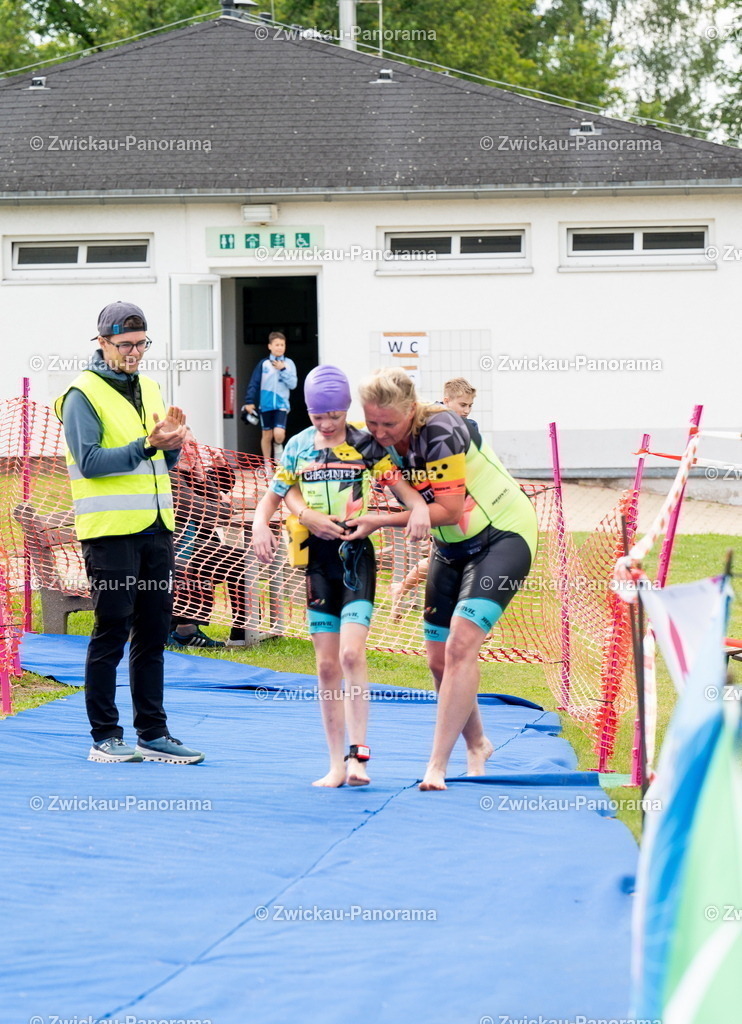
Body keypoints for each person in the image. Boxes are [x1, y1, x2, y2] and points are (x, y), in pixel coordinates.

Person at [356, 367, 537, 791]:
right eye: (371, 422)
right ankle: (478, 744)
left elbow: (450, 510)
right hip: (451, 547)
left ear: (410, 409)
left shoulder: (441, 428)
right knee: (438, 660)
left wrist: (380, 520)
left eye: (389, 423)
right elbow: (400, 487)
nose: (379, 432)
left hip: (503, 536)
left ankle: (436, 765)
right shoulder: (372, 440)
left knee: (461, 644)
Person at [251, 365, 429, 788]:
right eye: (318, 417)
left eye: (334, 416)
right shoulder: (296, 446)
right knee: (327, 665)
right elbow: (273, 497)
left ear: (346, 409)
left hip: (356, 558)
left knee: (351, 655)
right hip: (318, 562)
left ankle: (359, 758)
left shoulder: (365, 444)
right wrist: (264, 524)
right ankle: (334, 763)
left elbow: (405, 493)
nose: (327, 425)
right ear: (308, 412)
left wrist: (419, 510)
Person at [54, 301, 204, 764]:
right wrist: (147, 444)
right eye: (125, 345)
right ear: (102, 343)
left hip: (157, 528)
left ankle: (153, 733)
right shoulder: (82, 393)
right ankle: (104, 735)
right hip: (110, 533)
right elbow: (92, 462)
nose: (134, 353)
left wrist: (173, 446)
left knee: (154, 631)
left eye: (141, 344)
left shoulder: (152, 387)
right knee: (111, 631)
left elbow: (160, 459)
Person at [389, 377, 479, 619]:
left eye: (470, 405)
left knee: (442, 558)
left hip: (463, 500)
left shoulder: (470, 426)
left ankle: (400, 591)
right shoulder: (428, 419)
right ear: (446, 401)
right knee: (449, 558)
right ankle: (468, 616)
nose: (466, 410)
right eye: (462, 405)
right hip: (435, 502)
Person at [168, 436, 249, 649]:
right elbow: (211, 510)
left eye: (194, 446)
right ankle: (179, 631)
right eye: (184, 446)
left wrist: (210, 472)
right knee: (193, 569)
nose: (192, 451)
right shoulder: (168, 475)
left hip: (196, 547)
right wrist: (224, 506)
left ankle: (240, 631)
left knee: (239, 561)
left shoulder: (191, 473)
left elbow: (224, 485)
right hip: (172, 552)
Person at [241, 331, 297, 469]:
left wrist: (283, 370)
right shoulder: (264, 364)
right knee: (267, 435)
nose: (280, 347)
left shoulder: (289, 364)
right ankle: (267, 466)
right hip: (265, 405)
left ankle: (278, 457)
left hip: (282, 405)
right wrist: (249, 401)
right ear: (269, 346)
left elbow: (293, 384)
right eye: (277, 345)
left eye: (282, 345)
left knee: (278, 435)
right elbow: (254, 383)